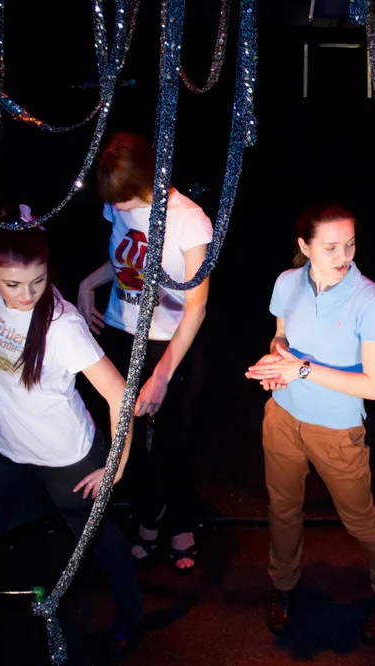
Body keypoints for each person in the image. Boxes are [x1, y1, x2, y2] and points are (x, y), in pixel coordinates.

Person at [0, 216, 142, 662]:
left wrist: (115, 464)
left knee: (101, 544)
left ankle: (131, 618)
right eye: (13, 284)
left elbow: (120, 395)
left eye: (37, 280)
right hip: (7, 449)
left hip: (66, 457)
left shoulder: (63, 327)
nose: (27, 294)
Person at [244, 202, 375, 644]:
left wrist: (302, 369)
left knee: (360, 520)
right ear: (305, 246)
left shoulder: (368, 298)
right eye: (330, 247)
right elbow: (281, 336)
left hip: (336, 431)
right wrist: (277, 361)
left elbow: (374, 386)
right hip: (282, 417)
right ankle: (283, 585)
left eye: (349, 245)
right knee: (283, 511)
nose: (343, 256)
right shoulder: (286, 283)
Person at [77, 131, 212, 574]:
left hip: (174, 344)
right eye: (112, 202)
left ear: (147, 183)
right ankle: (149, 514)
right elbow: (125, 262)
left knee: (176, 440)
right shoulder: (118, 203)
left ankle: (181, 522)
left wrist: (162, 375)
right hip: (122, 333)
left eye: (124, 200)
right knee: (127, 437)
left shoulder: (187, 220)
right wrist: (88, 284)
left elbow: (196, 306)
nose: (116, 209)